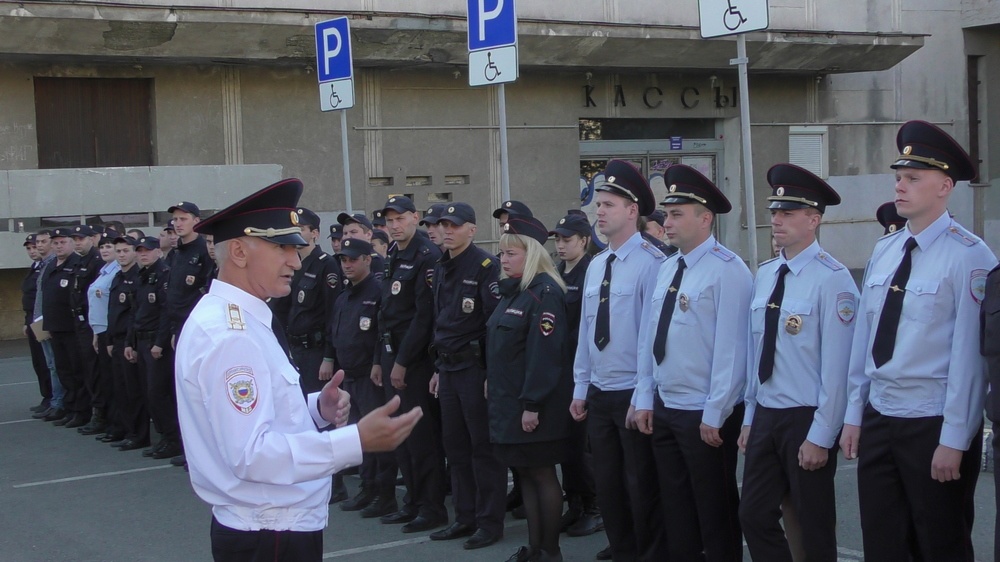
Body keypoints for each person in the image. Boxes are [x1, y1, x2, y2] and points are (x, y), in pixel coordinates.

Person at [174, 178, 422, 562]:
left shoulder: (240, 318)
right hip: (269, 529)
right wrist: (356, 440)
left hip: (271, 522)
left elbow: (254, 417)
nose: (294, 259)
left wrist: (313, 410)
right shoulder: (230, 334)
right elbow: (251, 455)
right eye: (282, 248)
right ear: (239, 251)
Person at [840, 120, 996, 561]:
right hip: (881, 415)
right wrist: (855, 413)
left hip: (930, 422)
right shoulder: (886, 250)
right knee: (884, 543)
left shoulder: (970, 256)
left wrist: (956, 438)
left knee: (939, 543)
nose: (900, 187)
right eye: (898, 177)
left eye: (913, 178)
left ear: (945, 186)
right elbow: (865, 341)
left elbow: (971, 358)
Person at [737, 164, 859, 561]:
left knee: (813, 523)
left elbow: (838, 367)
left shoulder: (833, 279)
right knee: (753, 514)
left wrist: (822, 435)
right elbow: (759, 354)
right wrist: (750, 417)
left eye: (787, 213)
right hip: (768, 414)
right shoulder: (767, 273)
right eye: (775, 212)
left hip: (805, 416)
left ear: (814, 220)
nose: (776, 221)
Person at [634, 164, 751, 562]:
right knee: (677, 509)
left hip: (704, 411)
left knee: (714, 510)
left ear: (705, 218)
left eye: (677, 214)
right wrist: (645, 397)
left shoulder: (728, 270)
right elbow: (651, 339)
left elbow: (732, 351)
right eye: (666, 214)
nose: (666, 222)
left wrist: (716, 412)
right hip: (668, 405)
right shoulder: (668, 267)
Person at [570, 159, 668, 562]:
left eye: (609, 204)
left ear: (632, 211)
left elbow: (652, 339)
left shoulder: (652, 262)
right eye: (598, 203)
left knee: (641, 486)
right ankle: (625, 550)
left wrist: (644, 394)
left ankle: (649, 553)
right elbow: (586, 331)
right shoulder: (596, 265)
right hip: (601, 391)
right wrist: (580, 386)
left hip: (634, 392)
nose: (600, 211)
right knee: (609, 486)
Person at [488, 217, 572, 562]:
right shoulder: (517, 291)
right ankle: (536, 548)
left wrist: (532, 405)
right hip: (510, 400)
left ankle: (550, 551)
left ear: (532, 254)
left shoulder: (544, 294)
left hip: (534, 405)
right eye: (502, 254)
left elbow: (545, 356)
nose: (503, 260)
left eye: (511, 253)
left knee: (541, 473)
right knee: (526, 475)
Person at [427, 202, 507, 550]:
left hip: (474, 369)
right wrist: (437, 368)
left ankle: (489, 522)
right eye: (443, 224)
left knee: (481, 449)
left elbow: (493, 325)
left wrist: (490, 372)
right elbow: (438, 321)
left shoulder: (486, 266)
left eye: (454, 225)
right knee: (455, 448)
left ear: (471, 230)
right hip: (448, 368)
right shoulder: (442, 266)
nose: (446, 230)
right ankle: (465, 516)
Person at [374, 195, 448, 533]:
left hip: (413, 358)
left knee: (421, 437)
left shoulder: (425, 255)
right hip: (392, 353)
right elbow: (386, 308)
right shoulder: (394, 252)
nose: (393, 225)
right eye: (389, 220)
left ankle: (431, 507)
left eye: (400, 218)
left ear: (415, 218)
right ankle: (413, 501)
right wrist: (382, 359)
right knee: (400, 436)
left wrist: (402, 361)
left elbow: (423, 316)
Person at [330, 238, 398, 519]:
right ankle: (368, 488)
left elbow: (381, 333)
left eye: (353, 259)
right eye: (344, 260)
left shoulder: (378, 290)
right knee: (359, 437)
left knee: (376, 439)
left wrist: (375, 363)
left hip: (370, 376)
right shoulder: (345, 296)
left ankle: (385, 495)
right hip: (350, 376)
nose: (347, 264)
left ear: (368, 260)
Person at [549, 213, 602, 538]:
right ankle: (577, 504)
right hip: (560, 370)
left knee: (582, 446)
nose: (561, 245)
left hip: (580, 370)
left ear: (583, 240)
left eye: (567, 239)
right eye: (557, 240)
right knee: (566, 444)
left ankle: (594, 507)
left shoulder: (590, 272)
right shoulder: (558, 271)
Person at [129, 236, 182, 459]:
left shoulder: (163, 274)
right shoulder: (142, 275)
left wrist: (160, 343)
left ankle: (173, 439)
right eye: (140, 251)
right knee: (149, 392)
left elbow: (165, 312)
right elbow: (136, 312)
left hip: (155, 342)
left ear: (158, 252)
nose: (143, 254)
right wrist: (131, 343)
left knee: (158, 392)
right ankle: (164, 436)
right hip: (141, 339)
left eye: (148, 251)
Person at [78, 229, 122, 437]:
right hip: (99, 330)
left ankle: (116, 423)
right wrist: (96, 332)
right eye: (102, 246)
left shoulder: (116, 272)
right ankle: (111, 422)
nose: (105, 250)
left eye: (109, 246)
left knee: (113, 381)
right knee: (104, 378)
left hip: (110, 331)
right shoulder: (104, 270)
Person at [42, 227, 86, 426]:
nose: (59, 246)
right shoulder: (51, 265)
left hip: (71, 328)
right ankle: (69, 408)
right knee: (63, 371)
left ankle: (81, 411)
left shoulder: (76, 264)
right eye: (56, 243)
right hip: (55, 327)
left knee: (76, 371)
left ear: (71, 243)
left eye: (63, 242)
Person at [69, 224, 102, 429]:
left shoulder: (96, 262)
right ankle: (90, 411)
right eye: (76, 239)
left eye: (82, 238)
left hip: (90, 324)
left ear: (92, 239)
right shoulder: (80, 261)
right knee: (82, 369)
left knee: (94, 371)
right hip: (79, 322)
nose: (78, 242)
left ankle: (99, 415)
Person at [166, 201, 213, 345]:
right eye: (175, 219)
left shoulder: (206, 251)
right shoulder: (176, 252)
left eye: (183, 219)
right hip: (177, 325)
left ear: (196, 221)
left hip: (197, 326)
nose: (178, 224)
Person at [22, 234, 52, 414]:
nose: (33, 251)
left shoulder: (45, 267)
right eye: (29, 248)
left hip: (41, 319)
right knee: (38, 361)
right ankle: (46, 395)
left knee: (46, 360)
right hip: (32, 318)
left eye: (36, 246)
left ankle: (51, 397)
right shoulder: (34, 268)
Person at [338, 212, 385, 281]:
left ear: (368, 234)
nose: (348, 237)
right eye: (345, 233)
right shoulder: (342, 258)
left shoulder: (376, 261)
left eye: (353, 232)